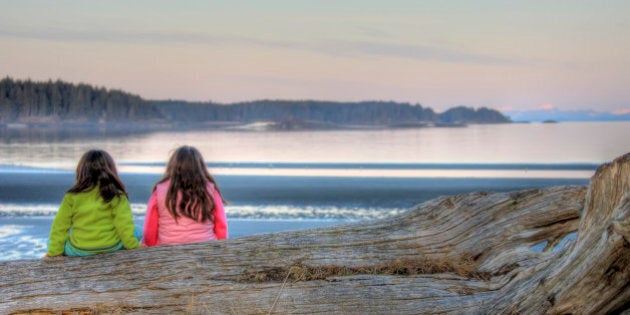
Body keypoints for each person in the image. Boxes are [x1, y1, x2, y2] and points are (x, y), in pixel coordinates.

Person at [46, 150, 141, 257]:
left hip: (79, 249)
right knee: (137, 230)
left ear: (81, 171)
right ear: (111, 170)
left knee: (50, 241)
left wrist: (54, 253)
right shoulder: (116, 195)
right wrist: (133, 246)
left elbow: (60, 226)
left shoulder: (72, 196)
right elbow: (124, 224)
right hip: (112, 247)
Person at [142, 146, 227, 247]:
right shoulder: (210, 190)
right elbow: (221, 225)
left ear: (172, 166)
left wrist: (150, 244)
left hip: (168, 248)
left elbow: (150, 228)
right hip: (205, 247)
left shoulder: (160, 190)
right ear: (200, 167)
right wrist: (222, 244)